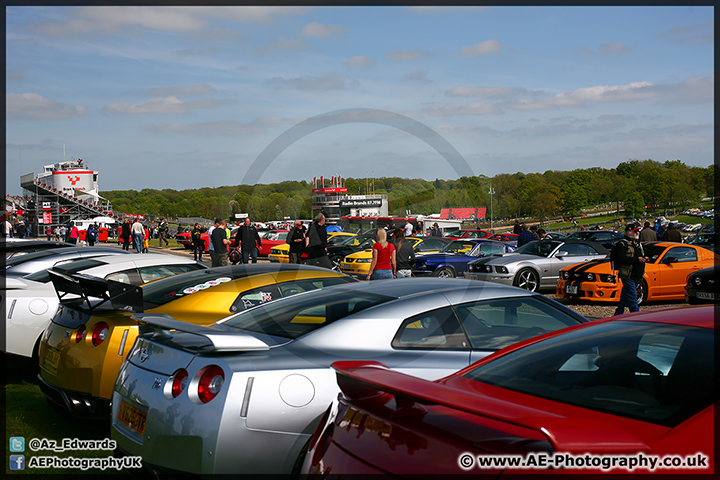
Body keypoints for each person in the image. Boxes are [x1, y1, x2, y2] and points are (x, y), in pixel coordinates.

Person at [611, 222, 648, 316]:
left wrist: (645, 258)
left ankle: (618, 314)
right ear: (628, 232)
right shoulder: (622, 244)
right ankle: (636, 317)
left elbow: (640, 256)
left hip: (636, 275)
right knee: (632, 297)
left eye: (638, 231)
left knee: (625, 296)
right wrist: (636, 260)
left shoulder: (637, 244)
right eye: (635, 231)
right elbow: (621, 258)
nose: (637, 233)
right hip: (627, 275)